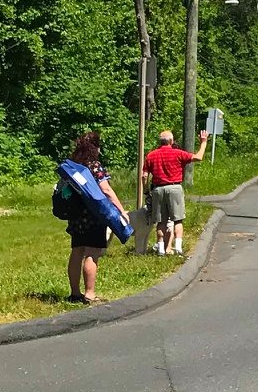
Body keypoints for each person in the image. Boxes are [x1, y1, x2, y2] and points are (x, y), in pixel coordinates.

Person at [65, 130, 128, 304]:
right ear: (95, 148)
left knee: (77, 251)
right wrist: (121, 210)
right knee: (92, 253)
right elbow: (106, 190)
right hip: (94, 216)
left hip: (76, 215)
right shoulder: (94, 166)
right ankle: (90, 294)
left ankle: (75, 293)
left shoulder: (72, 166)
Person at [142, 127, 208, 257]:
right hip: (175, 187)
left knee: (161, 221)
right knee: (178, 220)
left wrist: (146, 191)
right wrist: (204, 142)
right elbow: (198, 157)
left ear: (160, 142)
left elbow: (144, 175)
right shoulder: (178, 153)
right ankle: (178, 248)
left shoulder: (151, 155)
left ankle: (161, 249)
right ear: (171, 141)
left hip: (158, 189)